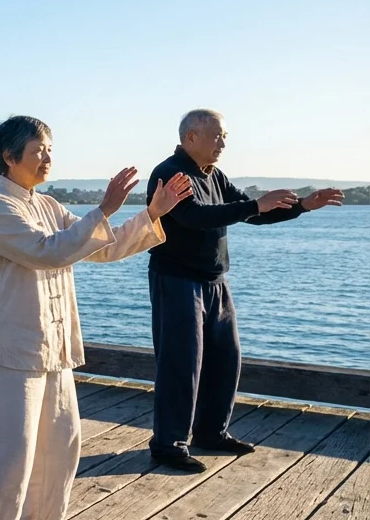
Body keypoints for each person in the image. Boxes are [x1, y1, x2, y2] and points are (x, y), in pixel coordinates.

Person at [0, 116, 192, 520]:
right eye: (39, 149)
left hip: (52, 343)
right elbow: (50, 252)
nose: (48, 156)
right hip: (11, 346)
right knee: (9, 455)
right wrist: (103, 209)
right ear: (9, 156)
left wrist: (152, 213)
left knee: (62, 443)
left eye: (49, 148)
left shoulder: (45, 205)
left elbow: (99, 246)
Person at [145, 109, 344, 473]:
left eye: (225, 137)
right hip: (176, 280)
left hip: (215, 281)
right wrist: (254, 204)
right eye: (217, 136)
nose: (223, 143)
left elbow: (254, 213)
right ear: (191, 137)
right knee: (181, 364)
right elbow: (194, 216)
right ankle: (168, 445)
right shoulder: (169, 172)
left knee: (226, 358)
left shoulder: (214, 175)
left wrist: (302, 206)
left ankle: (210, 433)